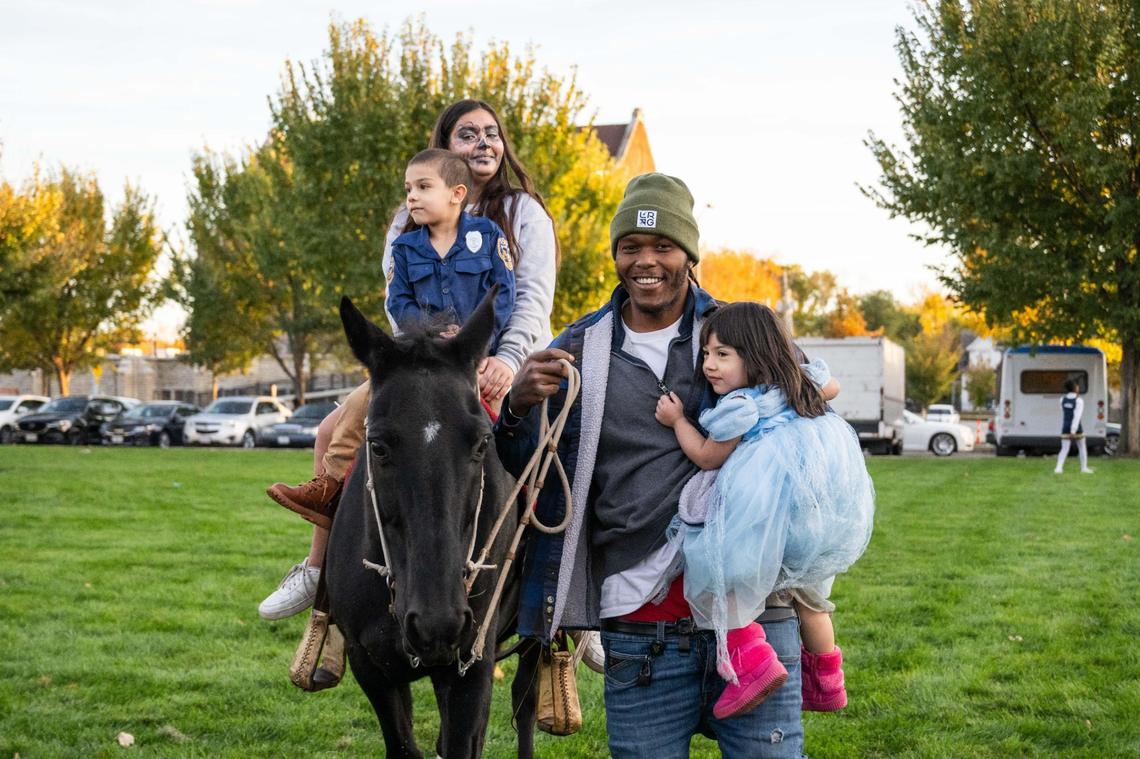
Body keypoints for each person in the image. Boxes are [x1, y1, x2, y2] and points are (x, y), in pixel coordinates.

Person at [499, 173, 810, 757]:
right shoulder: (578, 348)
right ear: (615, 255)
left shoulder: (744, 331)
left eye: (662, 246)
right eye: (630, 248)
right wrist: (516, 407)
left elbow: (811, 415)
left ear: (689, 254)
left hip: (755, 620)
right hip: (642, 634)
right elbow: (523, 473)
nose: (646, 262)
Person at [258, 99, 557, 621]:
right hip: (423, 365)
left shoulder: (519, 214)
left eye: (492, 133)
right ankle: (322, 580)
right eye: (468, 135)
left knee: (561, 450)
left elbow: (527, 298)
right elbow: (396, 302)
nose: (484, 143)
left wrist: (505, 359)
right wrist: (420, 350)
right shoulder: (409, 221)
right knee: (334, 429)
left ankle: (562, 599)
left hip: (503, 363)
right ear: (444, 150)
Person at [654, 301, 874, 719]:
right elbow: (832, 387)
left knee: (719, 573)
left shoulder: (741, 407)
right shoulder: (802, 385)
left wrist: (678, 420)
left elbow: (706, 456)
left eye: (723, 355)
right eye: (706, 354)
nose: (709, 366)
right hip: (810, 509)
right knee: (811, 597)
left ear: (755, 358)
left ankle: (751, 660)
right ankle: (828, 682)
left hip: (761, 506)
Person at [1055, 378, 1093, 474]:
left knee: (1064, 448)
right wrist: (1073, 430)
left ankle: (1058, 468)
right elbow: (1077, 416)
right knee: (1082, 447)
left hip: (1065, 426)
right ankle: (1083, 468)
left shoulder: (1062, 399)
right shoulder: (1079, 401)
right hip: (1076, 428)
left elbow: (1064, 411)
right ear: (1075, 388)